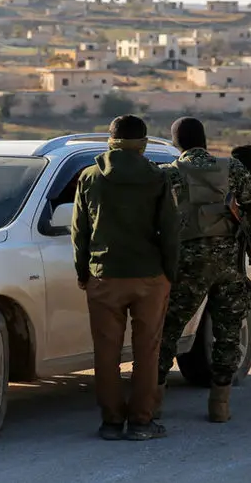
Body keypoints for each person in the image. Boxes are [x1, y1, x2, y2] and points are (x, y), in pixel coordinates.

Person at [72, 114, 179, 440]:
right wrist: (169, 275)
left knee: (106, 353)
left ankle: (112, 423)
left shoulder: (90, 177)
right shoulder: (158, 178)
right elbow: (171, 232)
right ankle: (142, 423)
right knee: (147, 352)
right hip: (149, 277)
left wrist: (83, 273)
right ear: (143, 144)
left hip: (104, 276)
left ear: (110, 141)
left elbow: (80, 232)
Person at [157, 119, 251, 423]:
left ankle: (152, 400)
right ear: (204, 140)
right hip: (229, 263)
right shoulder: (232, 168)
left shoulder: (168, 173)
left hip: (187, 264)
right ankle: (220, 403)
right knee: (228, 331)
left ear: (177, 143)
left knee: (167, 329)